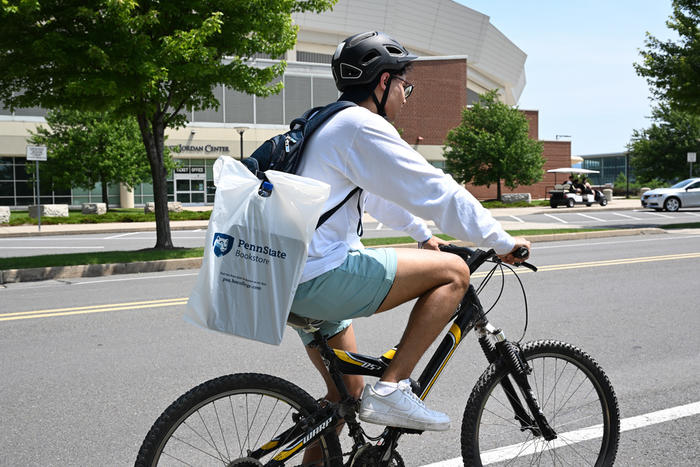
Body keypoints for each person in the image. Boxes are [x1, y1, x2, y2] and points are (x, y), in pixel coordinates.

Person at [290, 31, 531, 435]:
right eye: (404, 84)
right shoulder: (361, 126)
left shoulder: (327, 122)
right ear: (383, 82)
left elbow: (375, 196)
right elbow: (435, 189)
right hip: (319, 277)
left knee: (344, 399)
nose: (406, 94)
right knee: (454, 272)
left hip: (290, 280)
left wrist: (421, 233)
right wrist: (503, 242)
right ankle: (391, 390)